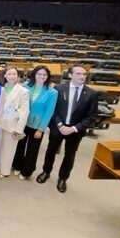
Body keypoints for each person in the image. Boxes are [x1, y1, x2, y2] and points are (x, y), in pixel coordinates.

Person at [36, 64, 98, 193]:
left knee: (70, 155)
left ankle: (63, 178)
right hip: (57, 127)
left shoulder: (92, 94)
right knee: (50, 151)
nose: (82, 76)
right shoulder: (59, 88)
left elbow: (92, 115)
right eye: (78, 74)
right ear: (70, 75)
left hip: (75, 131)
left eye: (84, 74)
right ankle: (46, 171)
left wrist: (74, 128)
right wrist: (59, 125)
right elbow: (52, 109)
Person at [13, 65, 58, 180]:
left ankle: (26, 171)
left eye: (44, 75)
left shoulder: (52, 92)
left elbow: (49, 112)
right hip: (23, 121)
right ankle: (17, 165)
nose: (41, 76)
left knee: (32, 150)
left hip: (38, 125)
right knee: (20, 145)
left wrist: (41, 129)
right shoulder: (26, 86)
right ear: (34, 75)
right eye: (39, 74)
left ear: (47, 77)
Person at [0, 67, 30, 179]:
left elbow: (25, 112)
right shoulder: (1, 88)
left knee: (9, 149)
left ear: (18, 76)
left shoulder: (23, 91)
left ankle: (5, 170)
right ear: (4, 75)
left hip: (12, 125)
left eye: (14, 74)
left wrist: (19, 129)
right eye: (9, 74)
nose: (12, 76)